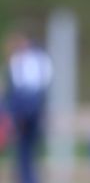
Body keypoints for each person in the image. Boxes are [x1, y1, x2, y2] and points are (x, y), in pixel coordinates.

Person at [3, 31, 53, 183]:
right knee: (27, 146)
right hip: (32, 104)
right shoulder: (40, 58)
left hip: (27, 105)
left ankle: (27, 178)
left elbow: (16, 87)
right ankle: (27, 177)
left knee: (25, 146)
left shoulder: (22, 60)